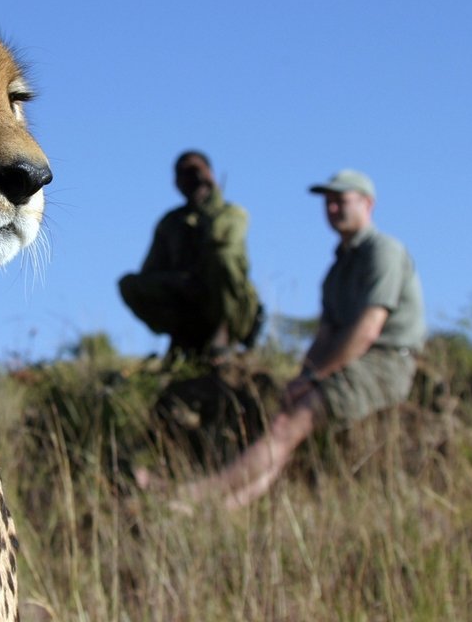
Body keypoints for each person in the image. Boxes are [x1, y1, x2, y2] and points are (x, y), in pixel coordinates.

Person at [175, 169, 425, 508]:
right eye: (329, 202)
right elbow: (325, 336)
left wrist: (313, 377)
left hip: (386, 361)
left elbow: (368, 330)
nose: (333, 209)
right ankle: (223, 508)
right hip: (348, 362)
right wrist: (302, 378)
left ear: (368, 204)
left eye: (341, 200)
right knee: (286, 416)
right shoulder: (336, 270)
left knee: (287, 423)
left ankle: (194, 495)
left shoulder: (383, 251)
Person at [119, 151, 263, 360]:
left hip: (226, 303)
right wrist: (177, 281)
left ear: (210, 174)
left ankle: (223, 334)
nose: (189, 178)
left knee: (223, 257)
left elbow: (225, 250)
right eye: (181, 173)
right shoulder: (170, 223)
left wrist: (208, 201)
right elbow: (149, 272)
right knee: (130, 284)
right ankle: (181, 336)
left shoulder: (231, 213)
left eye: (194, 171)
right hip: (185, 299)